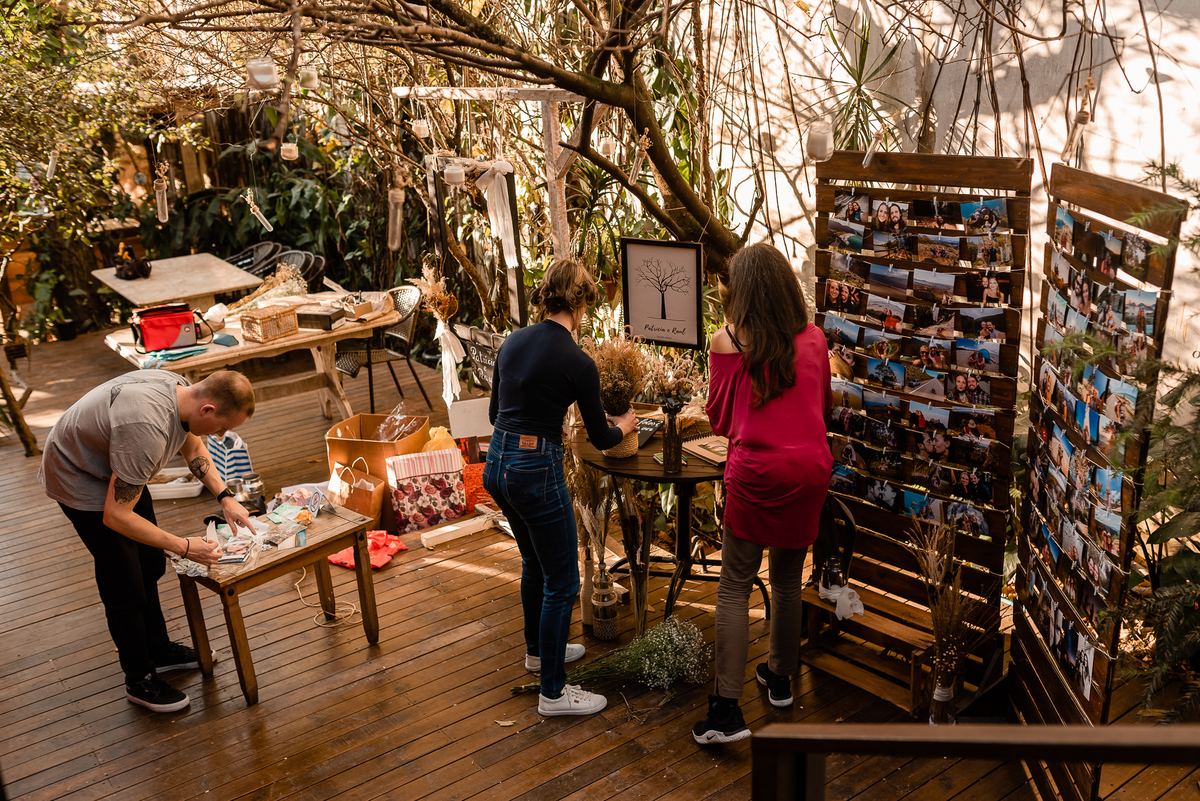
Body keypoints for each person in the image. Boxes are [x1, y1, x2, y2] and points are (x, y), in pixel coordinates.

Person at [39, 370, 256, 712]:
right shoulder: (145, 429)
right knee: (124, 581)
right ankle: (139, 679)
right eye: (222, 427)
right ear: (208, 410)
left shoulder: (185, 391)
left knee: (151, 563)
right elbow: (115, 515)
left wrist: (225, 496)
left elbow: (193, 443)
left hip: (118, 466)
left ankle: (158, 648)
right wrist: (184, 546)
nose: (222, 434)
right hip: (77, 474)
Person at [484, 258, 638, 718]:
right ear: (582, 302)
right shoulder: (577, 361)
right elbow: (604, 436)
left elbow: (495, 414)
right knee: (563, 581)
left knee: (534, 561)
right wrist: (626, 422)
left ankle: (538, 654)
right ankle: (553, 693)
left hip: (496, 464)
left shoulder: (513, 341)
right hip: (536, 468)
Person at [693, 243, 832, 745]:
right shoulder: (815, 340)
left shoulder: (729, 344)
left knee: (735, 584)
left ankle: (726, 711)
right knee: (790, 579)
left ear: (743, 295)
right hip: (810, 472)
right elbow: (821, 406)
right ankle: (779, 681)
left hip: (757, 476)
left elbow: (720, 419)